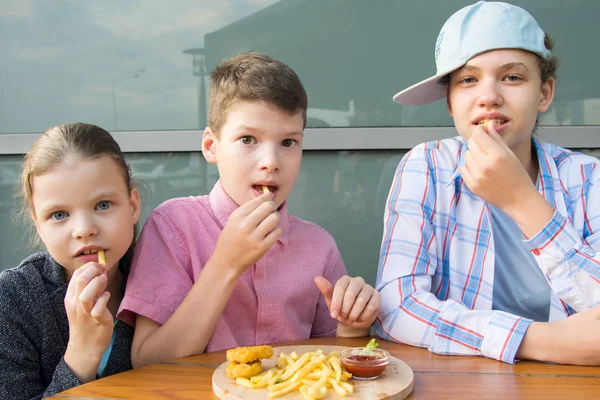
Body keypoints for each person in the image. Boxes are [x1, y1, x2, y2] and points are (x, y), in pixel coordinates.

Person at [118, 52, 381, 367]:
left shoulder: (319, 246)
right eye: (248, 139)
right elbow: (147, 362)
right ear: (211, 146)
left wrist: (352, 328)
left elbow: (331, 359)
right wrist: (226, 264)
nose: (271, 161)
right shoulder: (173, 226)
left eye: (288, 142)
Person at [375, 1, 600, 365]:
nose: (489, 96)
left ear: (544, 93)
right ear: (450, 101)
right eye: (468, 79)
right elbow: (396, 306)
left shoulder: (588, 177)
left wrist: (521, 200)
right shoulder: (427, 166)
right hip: (458, 382)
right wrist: (540, 341)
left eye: (512, 77)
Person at [0, 123, 141, 399]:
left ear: (133, 206)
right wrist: (82, 351)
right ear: (38, 224)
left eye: (103, 205)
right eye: (59, 214)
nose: (83, 229)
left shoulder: (166, 273)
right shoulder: (12, 298)